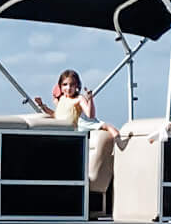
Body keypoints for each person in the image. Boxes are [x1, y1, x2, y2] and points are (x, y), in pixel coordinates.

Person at [33, 68, 122, 206]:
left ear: (77, 86)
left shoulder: (79, 99)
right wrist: (42, 105)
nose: (68, 88)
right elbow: (55, 115)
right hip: (58, 137)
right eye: (65, 85)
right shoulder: (62, 99)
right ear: (60, 86)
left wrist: (90, 99)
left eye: (72, 85)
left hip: (71, 140)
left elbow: (90, 114)